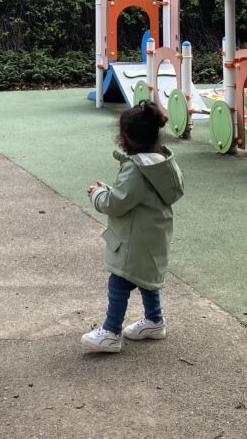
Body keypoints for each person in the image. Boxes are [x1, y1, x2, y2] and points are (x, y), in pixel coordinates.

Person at [82, 101, 185, 353]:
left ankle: (111, 331)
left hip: (135, 238)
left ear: (124, 138)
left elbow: (117, 203)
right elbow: (134, 195)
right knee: (146, 279)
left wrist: (98, 194)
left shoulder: (136, 169)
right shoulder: (163, 162)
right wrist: (110, 189)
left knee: (120, 280)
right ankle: (154, 320)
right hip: (154, 234)